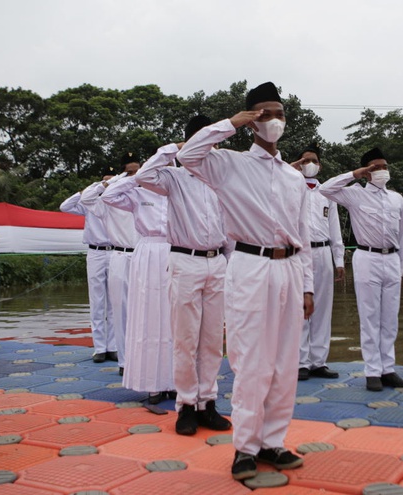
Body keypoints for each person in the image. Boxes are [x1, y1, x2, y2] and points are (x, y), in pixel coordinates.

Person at [177, 82, 313, 481]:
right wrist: (229, 124)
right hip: (250, 265)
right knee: (252, 360)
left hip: (288, 268)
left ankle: (274, 442)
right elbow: (188, 155)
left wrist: (307, 285)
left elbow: (302, 234)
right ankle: (246, 448)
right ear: (252, 119)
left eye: (280, 113)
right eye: (265, 113)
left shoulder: (292, 178)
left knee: (286, 361)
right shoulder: (229, 164)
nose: (274, 121)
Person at [135, 115, 231, 435]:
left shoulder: (221, 180)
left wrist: (230, 266)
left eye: (213, 141)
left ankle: (208, 403)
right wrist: (173, 149)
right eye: (203, 141)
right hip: (185, 261)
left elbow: (230, 229)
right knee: (185, 340)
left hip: (217, 262)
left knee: (213, 340)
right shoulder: (173, 178)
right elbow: (144, 176)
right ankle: (186, 406)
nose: (210, 148)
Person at [320, 148, 403, 392]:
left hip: (392, 259)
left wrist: (401, 269)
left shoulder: (397, 198)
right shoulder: (354, 195)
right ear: (366, 172)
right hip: (367, 257)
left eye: (384, 166)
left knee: (390, 319)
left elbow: (402, 235)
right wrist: (355, 173)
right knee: (370, 317)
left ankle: (388, 370)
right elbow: (326, 189)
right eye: (375, 167)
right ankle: (372, 371)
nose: (381, 171)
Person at [101, 155, 174, 404]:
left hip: (176, 252)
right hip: (148, 252)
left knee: (174, 320)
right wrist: (135, 178)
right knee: (149, 318)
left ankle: (174, 380)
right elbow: (108, 196)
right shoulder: (138, 194)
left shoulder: (178, 193)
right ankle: (152, 384)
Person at [79, 154, 141, 376]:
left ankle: (141, 357)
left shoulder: (148, 196)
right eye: (129, 172)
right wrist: (109, 182)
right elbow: (86, 199)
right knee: (119, 309)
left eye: (137, 172)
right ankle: (122, 360)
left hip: (144, 257)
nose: (134, 177)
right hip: (119, 256)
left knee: (145, 311)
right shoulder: (109, 202)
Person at [289, 143, 345, 381]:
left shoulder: (327, 193)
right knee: (300, 307)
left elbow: (335, 226)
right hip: (299, 252)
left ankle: (318, 361)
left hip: (323, 252)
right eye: (305, 161)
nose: (309, 164)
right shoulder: (290, 187)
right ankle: (300, 361)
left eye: (313, 161)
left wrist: (339, 258)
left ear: (320, 166)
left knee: (322, 307)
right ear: (298, 164)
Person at [60, 187, 117, 363]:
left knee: (115, 301)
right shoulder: (89, 203)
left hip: (115, 251)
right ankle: (99, 347)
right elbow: (65, 207)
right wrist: (88, 189)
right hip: (95, 252)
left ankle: (113, 346)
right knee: (97, 301)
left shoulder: (118, 201)